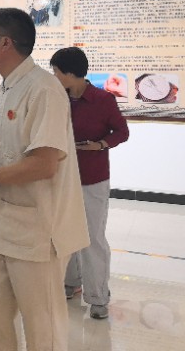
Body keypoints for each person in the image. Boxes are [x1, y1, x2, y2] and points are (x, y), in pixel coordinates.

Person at [0, 8, 88, 350]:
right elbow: (5, 153)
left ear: (5, 43)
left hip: (36, 233)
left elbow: (44, 164)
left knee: (43, 325)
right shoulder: (7, 88)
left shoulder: (43, 89)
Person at [50, 46, 129, 320]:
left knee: (92, 237)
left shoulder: (102, 99)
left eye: (56, 72)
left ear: (71, 73)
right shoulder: (58, 98)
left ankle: (98, 297)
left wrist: (100, 144)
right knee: (65, 232)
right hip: (62, 177)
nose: (54, 76)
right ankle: (71, 282)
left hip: (93, 178)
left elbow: (122, 131)